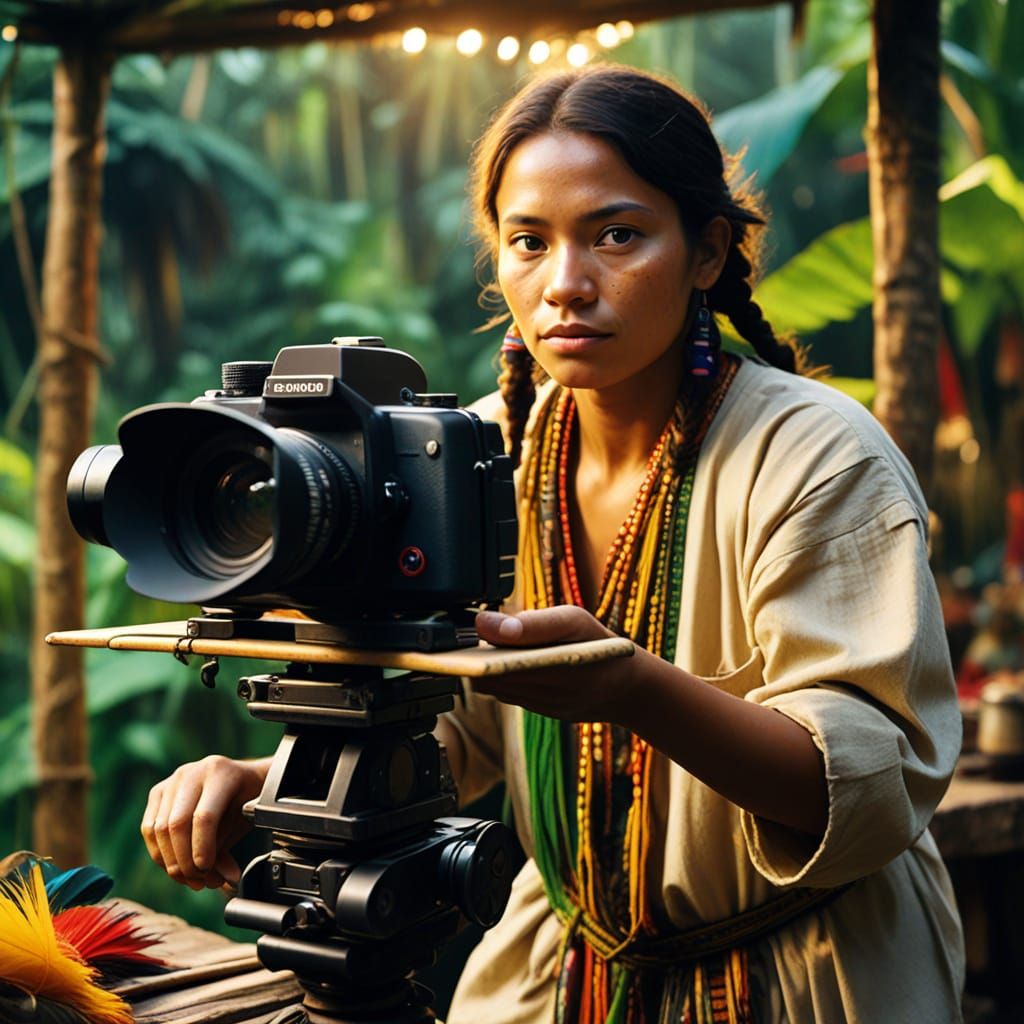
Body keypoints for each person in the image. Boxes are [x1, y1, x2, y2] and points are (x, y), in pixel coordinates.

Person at [141, 65, 965, 1023]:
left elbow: (867, 789)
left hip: (805, 974)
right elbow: (459, 735)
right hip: (564, 967)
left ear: (706, 252)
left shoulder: (816, 457)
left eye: (616, 235)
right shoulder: (477, 455)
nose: (565, 285)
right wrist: (266, 787)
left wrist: (633, 689)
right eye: (528, 242)